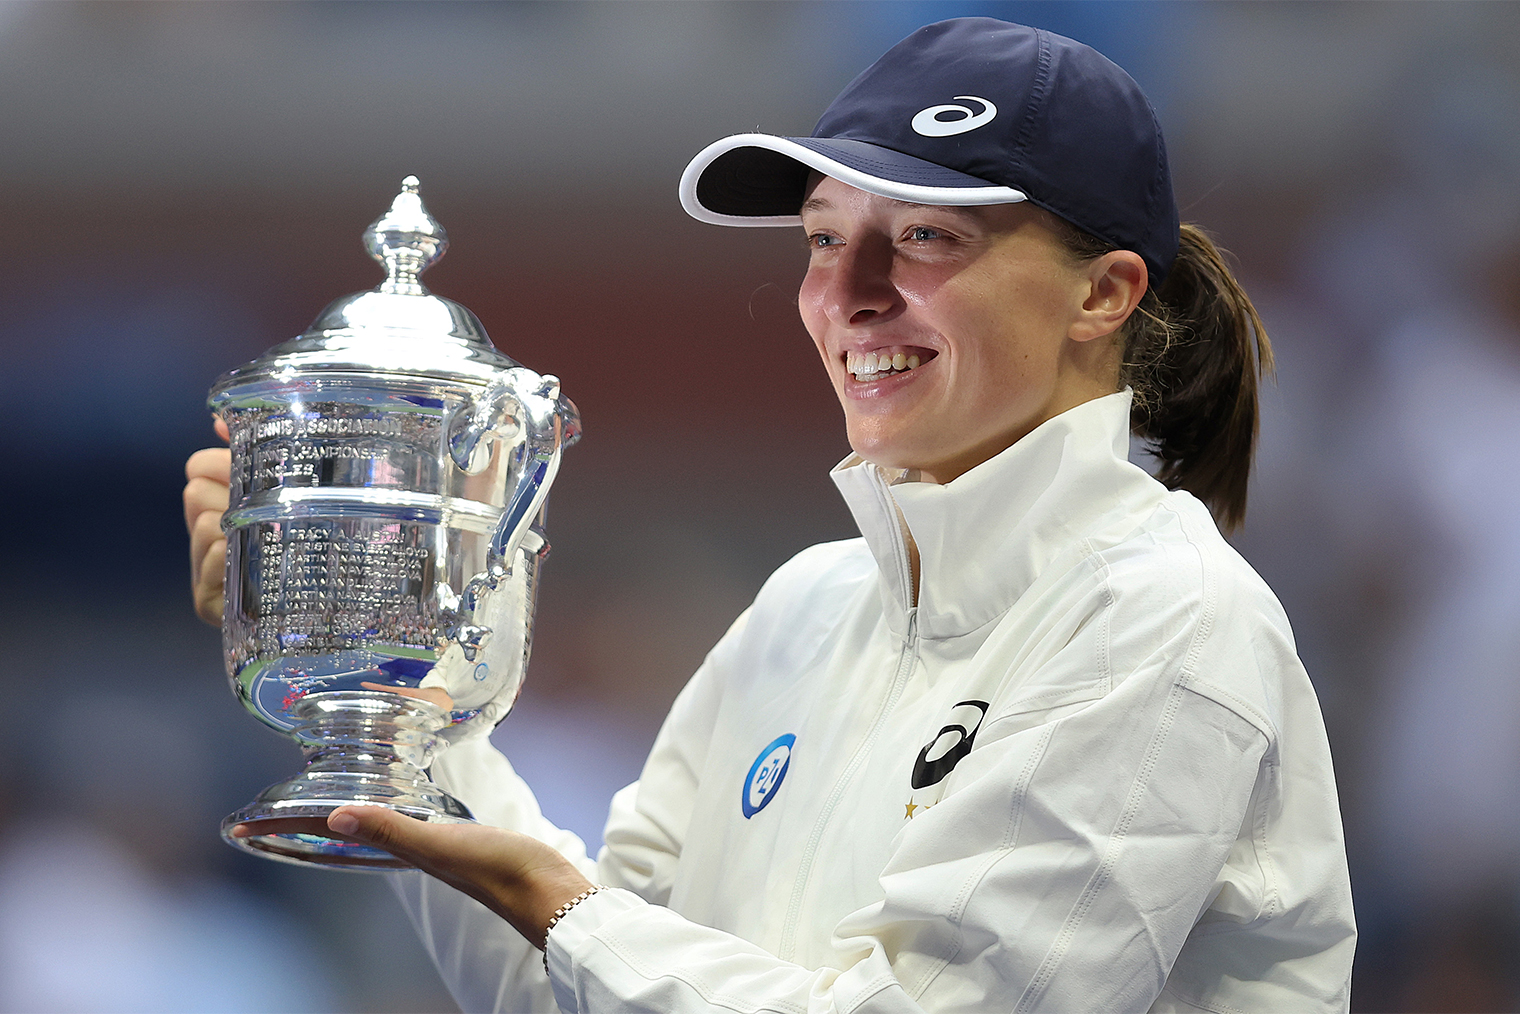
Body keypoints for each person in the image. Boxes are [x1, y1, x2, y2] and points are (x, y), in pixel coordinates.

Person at [184, 18, 1355, 1013]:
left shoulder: (1168, 621)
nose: (848, 297)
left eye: (927, 237)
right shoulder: (805, 607)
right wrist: (392, 691)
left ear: (1101, 293)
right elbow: (583, 978)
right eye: (824, 240)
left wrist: (557, 906)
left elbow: (600, 938)